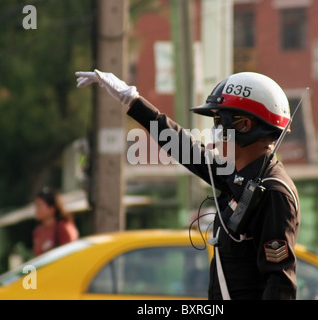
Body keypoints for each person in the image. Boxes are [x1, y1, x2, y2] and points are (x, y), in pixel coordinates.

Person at [75, 70, 300, 300]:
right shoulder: (239, 175)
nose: (215, 132)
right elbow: (184, 147)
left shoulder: (272, 192)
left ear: (244, 126)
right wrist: (132, 100)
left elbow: (279, 283)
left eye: (220, 122)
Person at [32, 187, 79, 256]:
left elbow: (71, 253)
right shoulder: (37, 231)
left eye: (39, 205)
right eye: (36, 205)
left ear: (52, 208)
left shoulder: (63, 228)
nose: (36, 209)